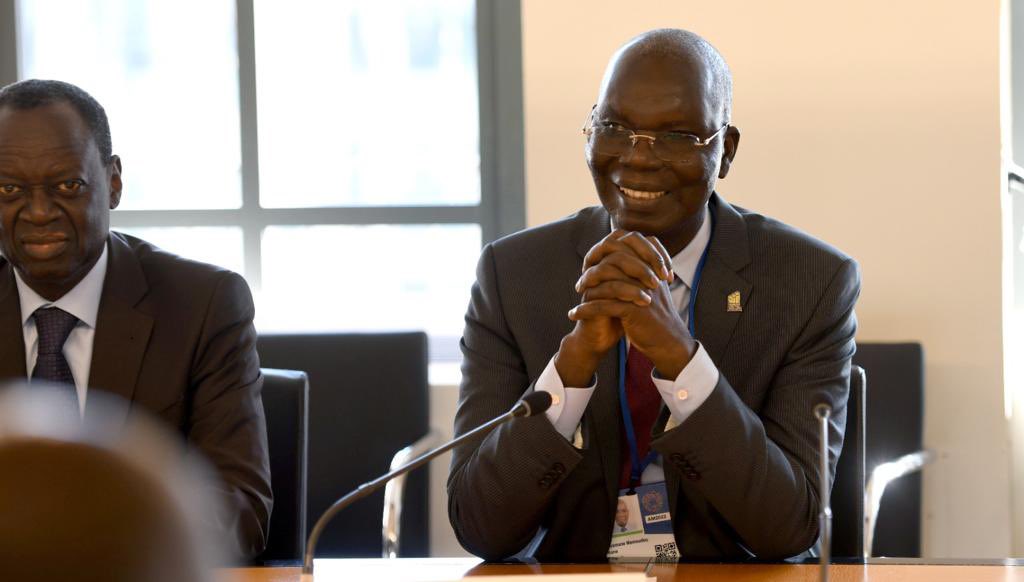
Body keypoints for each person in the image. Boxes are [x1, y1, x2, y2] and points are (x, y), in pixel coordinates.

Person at [448, 29, 860, 562]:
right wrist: (572, 365)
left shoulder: (811, 282)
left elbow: (790, 528)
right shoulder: (513, 275)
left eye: (677, 136)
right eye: (614, 128)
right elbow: (480, 526)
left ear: (726, 151)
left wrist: (680, 359)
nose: (638, 158)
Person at [0, 79, 272, 560]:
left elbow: (237, 510)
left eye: (68, 185)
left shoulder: (203, 305)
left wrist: (85, 555)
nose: (38, 212)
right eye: (9, 189)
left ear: (114, 183)